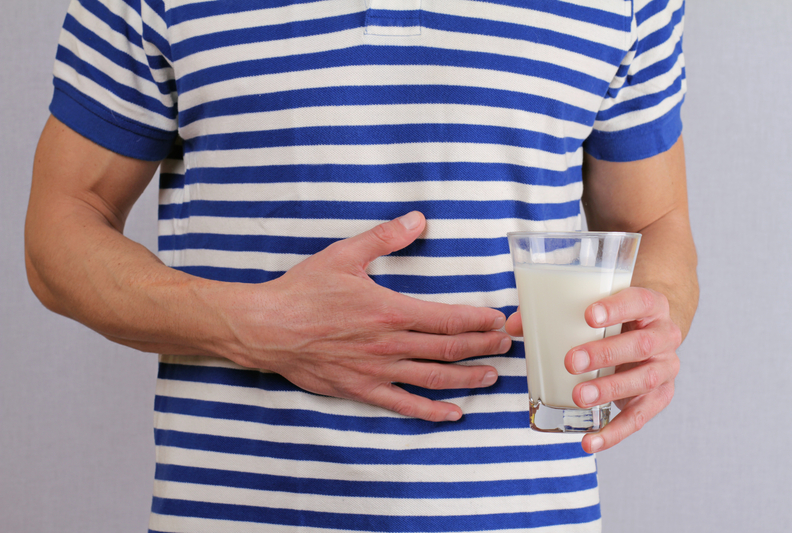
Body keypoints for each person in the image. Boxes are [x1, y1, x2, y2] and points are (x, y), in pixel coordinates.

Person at [25, 0, 698, 531]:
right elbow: (59, 231)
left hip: (527, 514)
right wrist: (254, 324)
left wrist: (648, 325)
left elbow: (655, 223)